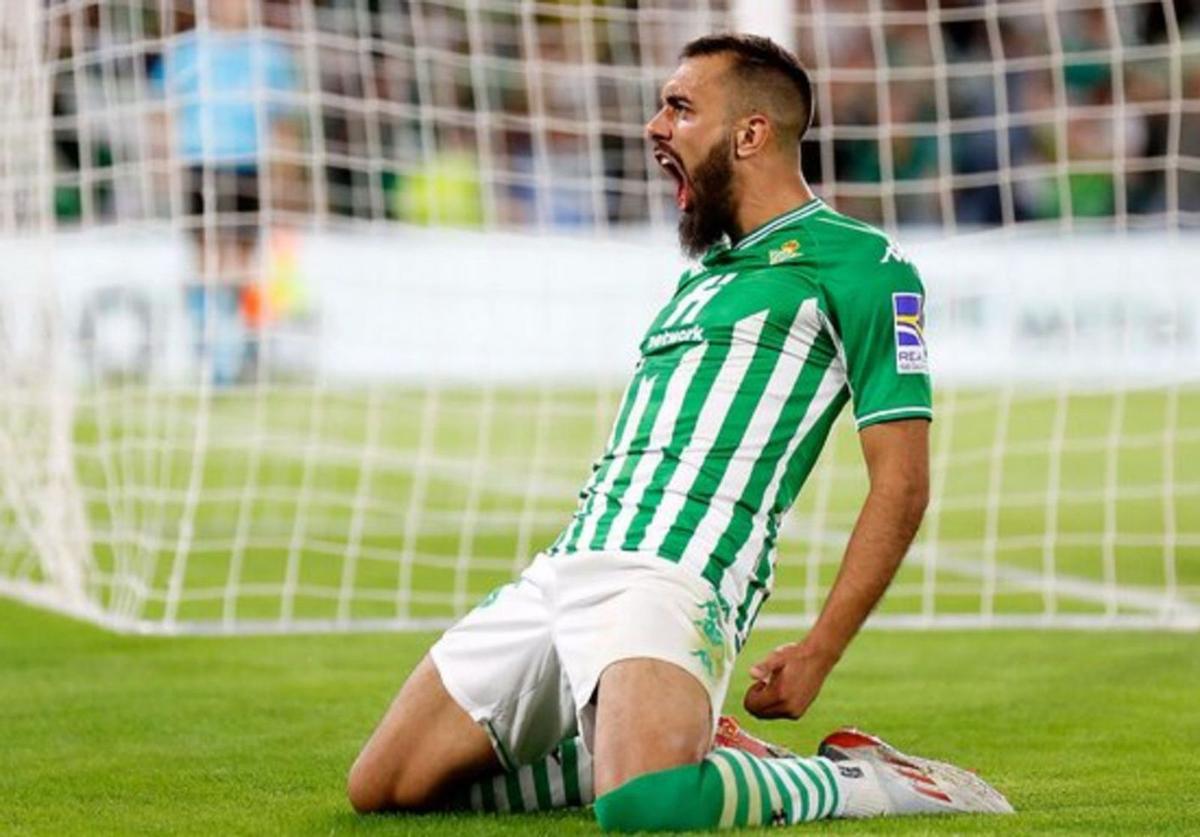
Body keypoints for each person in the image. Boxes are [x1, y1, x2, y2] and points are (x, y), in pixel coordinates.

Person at [347, 34, 1013, 830]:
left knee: (646, 810)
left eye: (680, 106)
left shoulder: (863, 267)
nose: (655, 124)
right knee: (383, 786)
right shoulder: (702, 274)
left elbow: (902, 482)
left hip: (680, 571)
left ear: (751, 134)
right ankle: (653, 742)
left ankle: (867, 782)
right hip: (568, 566)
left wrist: (820, 649)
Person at [152, 0, 298, 385]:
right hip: (200, 163)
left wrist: (286, 181)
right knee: (205, 260)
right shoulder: (186, 51)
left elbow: (282, 124)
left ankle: (238, 346)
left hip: (249, 164)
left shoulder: (270, 54)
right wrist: (163, 165)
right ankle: (207, 350)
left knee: (243, 263)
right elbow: (165, 114)